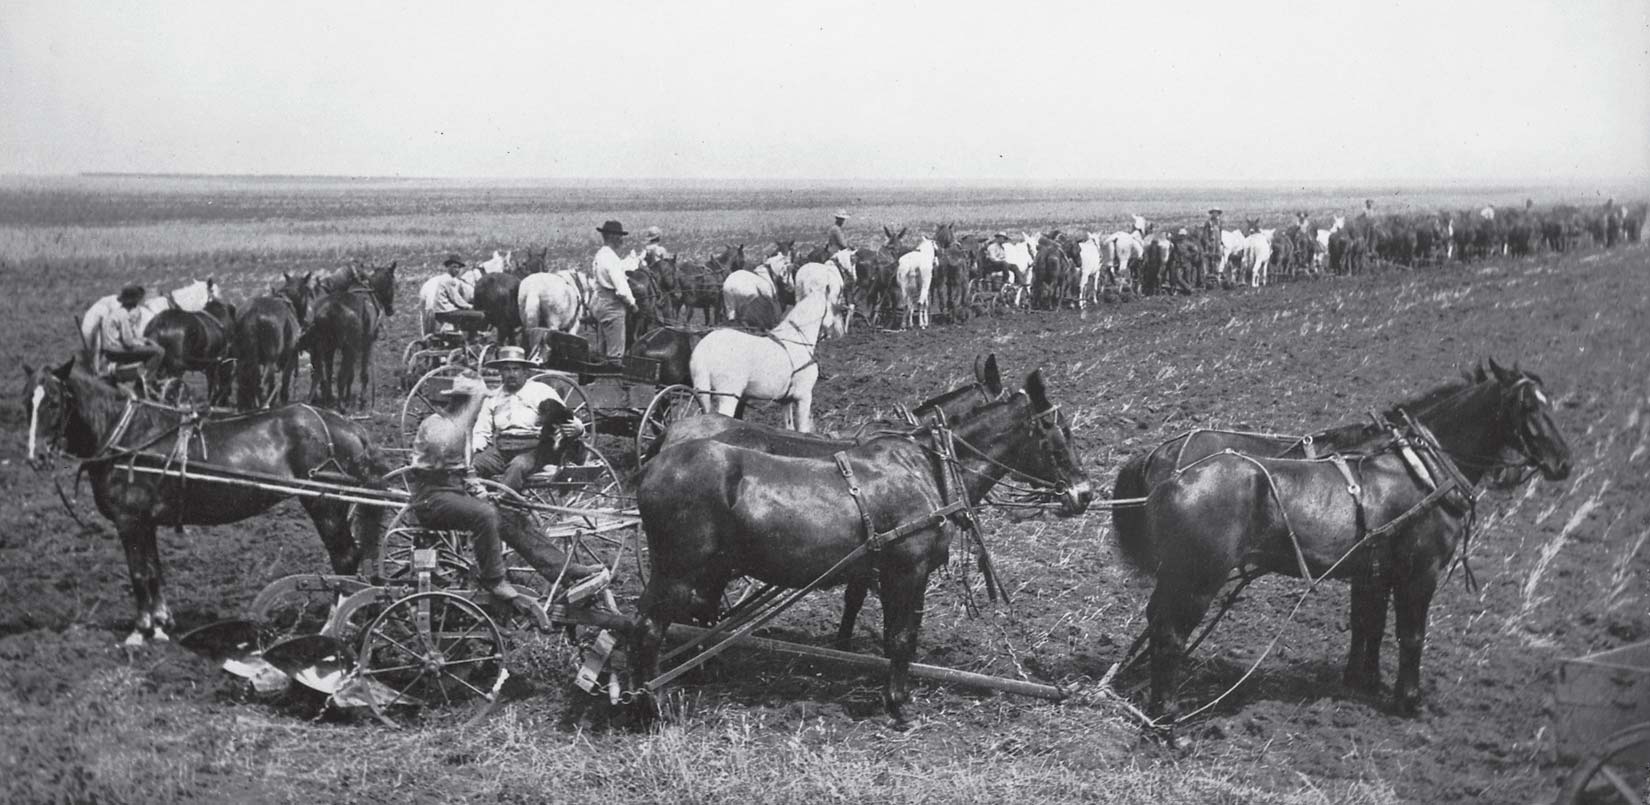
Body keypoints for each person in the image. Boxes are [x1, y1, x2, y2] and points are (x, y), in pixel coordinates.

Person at [408, 372, 596, 626]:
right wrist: (474, 488)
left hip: (452, 491)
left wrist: (478, 488)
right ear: (464, 402)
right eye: (476, 402)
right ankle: (494, 579)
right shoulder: (438, 426)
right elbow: (448, 469)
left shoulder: (459, 425)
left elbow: (467, 470)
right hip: (432, 496)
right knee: (486, 514)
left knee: (508, 515)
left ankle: (564, 571)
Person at [471, 346, 586, 492]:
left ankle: (503, 502)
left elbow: (564, 416)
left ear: (525, 371)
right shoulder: (493, 398)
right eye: (506, 369)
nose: (511, 374)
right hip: (501, 451)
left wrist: (578, 427)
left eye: (516, 369)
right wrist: (472, 449)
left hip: (534, 451)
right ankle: (477, 500)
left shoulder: (540, 391)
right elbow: (482, 431)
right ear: (500, 372)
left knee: (517, 467)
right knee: (471, 465)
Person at [591, 220, 640, 361]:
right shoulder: (611, 258)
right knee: (616, 351)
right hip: (613, 307)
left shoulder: (600, 255)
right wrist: (633, 304)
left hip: (601, 303)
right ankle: (614, 378)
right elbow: (622, 289)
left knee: (603, 346)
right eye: (620, 236)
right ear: (613, 237)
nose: (621, 240)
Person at [100, 285, 166, 379]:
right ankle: (146, 380)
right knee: (159, 351)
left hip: (109, 349)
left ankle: (139, 374)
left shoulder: (116, 313)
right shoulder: (124, 316)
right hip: (116, 350)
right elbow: (128, 342)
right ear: (134, 303)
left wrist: (144, 340)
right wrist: (143, 344)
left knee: (147, 348)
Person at [423, 254, 475, 335]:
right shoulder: (449, 280)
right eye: (454, 267)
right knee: (479, 315)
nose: (457, 270)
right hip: (447, 311)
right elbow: (457, 299)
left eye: (458, 268)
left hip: (439, 311)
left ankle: (455, 333)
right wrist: (470, 306)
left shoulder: (444, 278)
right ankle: (472, 337)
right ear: (448, 267)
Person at [1202, 208, 1224, 288]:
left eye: (1217, 213)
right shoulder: (1208, 223)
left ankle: (1216, 276)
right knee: (1209, 260)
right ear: (1212, 214)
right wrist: (1207, 243)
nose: (1216, 214)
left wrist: (1221, 242)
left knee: (1217, 260)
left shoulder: (1219, 223)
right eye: (1214, 213)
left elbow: (1220, 233)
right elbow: (1205, 235)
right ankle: (1208, 279)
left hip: (1217, 244)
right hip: (1211, 245)